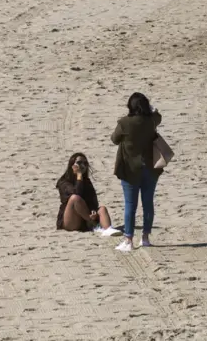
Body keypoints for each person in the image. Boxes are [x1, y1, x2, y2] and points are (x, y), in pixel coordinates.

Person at [111, 92, 163, 252]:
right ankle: (145, 238)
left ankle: (128, 240)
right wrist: (152, 109)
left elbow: (114, 139)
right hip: (150, 168)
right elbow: (158, 116)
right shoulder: (151, 121)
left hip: (130, 169)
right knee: (148, 203)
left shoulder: (124, 122)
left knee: (130, 205)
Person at [56, 153, 117, 234]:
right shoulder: (64, 182)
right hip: (70, 221)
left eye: (85, 163)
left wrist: (93, 211)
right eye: (79, 163)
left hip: (84, 220)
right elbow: (77, 193)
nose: (82, 165)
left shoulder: (86, 181)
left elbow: (93, 200)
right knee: (75, 198)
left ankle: (108, 229)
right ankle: (94, 224)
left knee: (102, 209)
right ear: (72, 165)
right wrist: (79, 175)